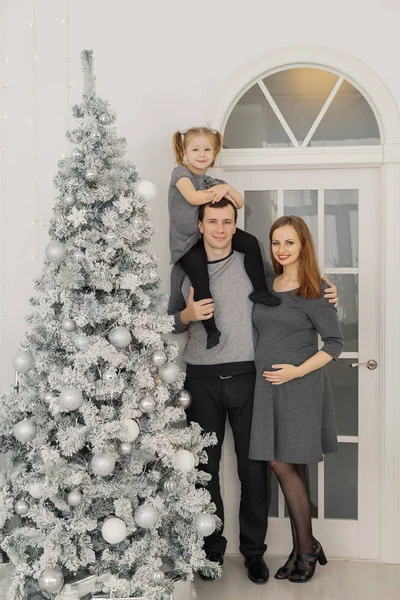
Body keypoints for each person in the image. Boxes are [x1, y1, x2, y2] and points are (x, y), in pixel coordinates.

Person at [167, 201, 338, 584]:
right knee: (204, 470)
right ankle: (210, 550)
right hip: (200, 379)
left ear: (235, 226)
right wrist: (186, 316)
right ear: (200, 223)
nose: (220, 228)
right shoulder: (183, 268)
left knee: (254, 470)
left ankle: (253, 553)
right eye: (213, 221)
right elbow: (170, 320)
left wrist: (328, 292)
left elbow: (293, 284)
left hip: (249, 378)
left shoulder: (253, 262)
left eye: (228, 221)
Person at [249, 215, 344, 583]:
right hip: (267, 388)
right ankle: (303, 546)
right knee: (292, 465)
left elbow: (335, 344)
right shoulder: (268, 285)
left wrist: (295, 371)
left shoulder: (316, 289)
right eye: (276, 243)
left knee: (282, 463)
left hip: (300, 387)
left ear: (303, 245)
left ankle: (306, 549)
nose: (282, 249)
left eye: (289, 242)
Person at [169, 126, 279, 350]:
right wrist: (217, 192)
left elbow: (238, 203)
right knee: (200, 278)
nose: (202, 154)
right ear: (184, 153)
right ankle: (211, 330)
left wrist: (226, 187)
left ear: (214, 153)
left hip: (206, 237)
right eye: (196, 149)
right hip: (187, 242)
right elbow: (192, 197)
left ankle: (260, 290)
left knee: (250, 243)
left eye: (207, 149)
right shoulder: (180, 174)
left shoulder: (212, 181)